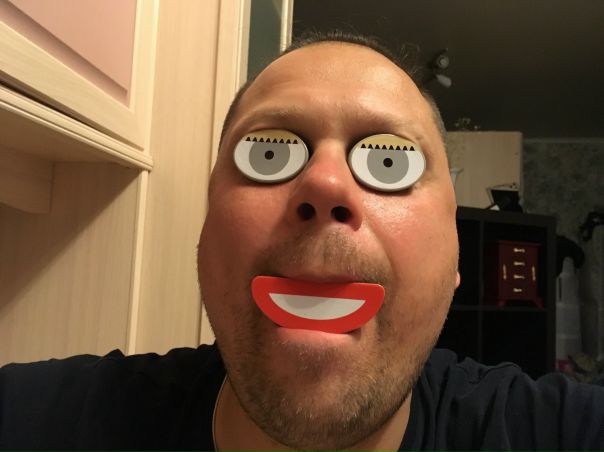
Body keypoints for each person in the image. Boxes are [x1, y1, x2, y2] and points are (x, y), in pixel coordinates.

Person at [0, 31, 603, 452]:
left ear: (455, 260)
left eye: (388, 161)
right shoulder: (34, 420)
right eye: (270, 152)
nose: (325, 182)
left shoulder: (558, 432)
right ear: (206, 241)